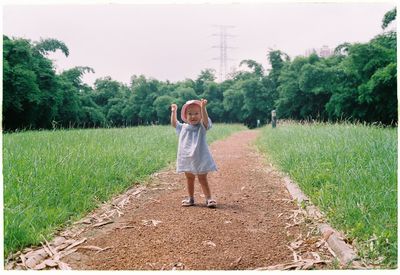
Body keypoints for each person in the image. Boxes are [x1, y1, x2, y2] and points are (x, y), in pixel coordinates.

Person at [170, 99, 217, 208]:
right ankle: (190, 198)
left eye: (196, 113)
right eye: (190, 114)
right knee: (189, 178)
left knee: (202, 178)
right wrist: (174, 111)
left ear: (200, 115)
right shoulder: (183, 127)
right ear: (185, 116)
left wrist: (203, 108)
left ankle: (209, 198)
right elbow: (174, 123)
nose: (193, 116)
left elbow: (206, 121)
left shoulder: (202, 127)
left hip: (200, 157)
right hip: (186, 158)